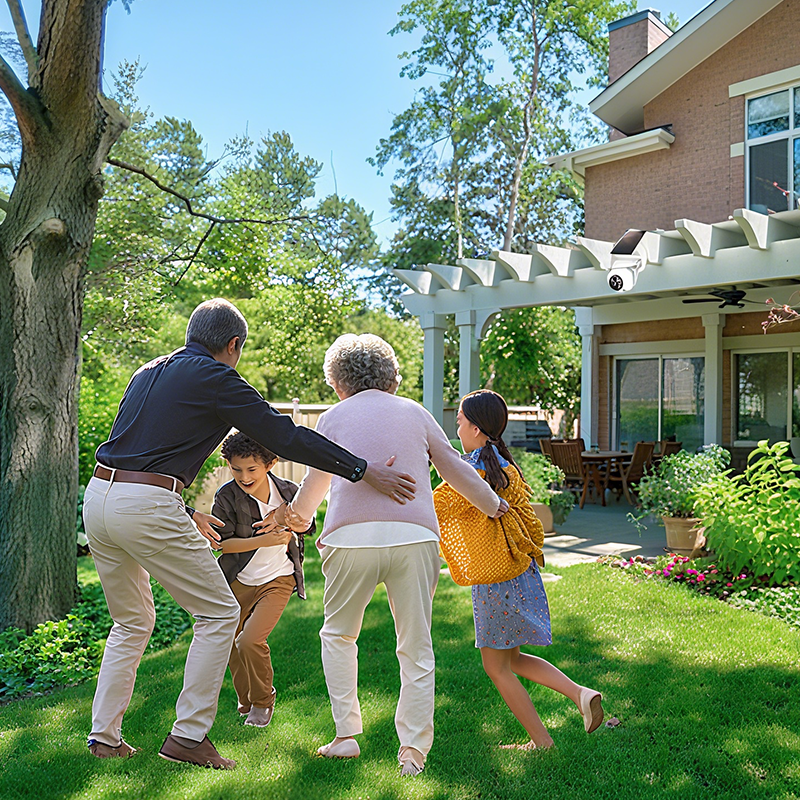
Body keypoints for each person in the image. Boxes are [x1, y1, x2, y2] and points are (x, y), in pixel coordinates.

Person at [82, 299, 416, 770]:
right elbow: (284, 436)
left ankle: (104, 737)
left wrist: (175, 503)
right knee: (219, 613)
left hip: (99, 497)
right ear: (233, 345)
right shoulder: (216, 377)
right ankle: (188, 735)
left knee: (131, 622)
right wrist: (362, 471)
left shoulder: (146, 372)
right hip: (146, 502)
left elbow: (143, 448)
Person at [283, 334, 508, 777]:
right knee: (416, 646)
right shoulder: (414, 412)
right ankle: (413, 753)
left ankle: (346, 735)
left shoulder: (331, 417)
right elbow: (454, 468)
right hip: (414, 539)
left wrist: (297, 519)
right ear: (390, 375)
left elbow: (316, 483)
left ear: (338, 380)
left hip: (350, 542)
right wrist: (491, 503)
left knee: (339, 636)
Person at [433, 390, 604, 751]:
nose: (457, 428)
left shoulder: (474, 470)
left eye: (460, 422)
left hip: (496, 580)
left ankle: (542, 742)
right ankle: (580, 694)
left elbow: (435, 505)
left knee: (496, 668)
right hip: (520, 572)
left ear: (477, 428)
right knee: (513, 658)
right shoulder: (502, 463)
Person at [212, 432, 313, 729]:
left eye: (251, 469)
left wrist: (286, 519)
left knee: (251, 640)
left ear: (270, 464)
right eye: (236, 469)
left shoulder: (289, 492)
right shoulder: (226, 497)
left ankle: (262, 701)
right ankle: (246, 699)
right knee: (230, 643)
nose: (244, 476)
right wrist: (266, 540)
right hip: (238, 580)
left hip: (278, 579)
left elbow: (309, 524)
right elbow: (221, 544)